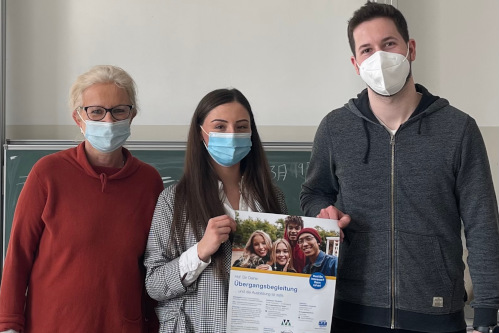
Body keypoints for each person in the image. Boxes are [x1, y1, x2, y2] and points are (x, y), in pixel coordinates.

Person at [300, 2, 499, 333]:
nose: (379, 57)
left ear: (411, 48)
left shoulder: (458, 129)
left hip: (436, 314)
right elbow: (313, 192)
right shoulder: (335, 128)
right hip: (350, 312)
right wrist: (324, 209)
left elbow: (482, 223)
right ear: (355, 63)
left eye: (389, 44)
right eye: (367, 49)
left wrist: (488, 311)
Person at [0, 65, 164, 332]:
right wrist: (8, 324)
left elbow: (152, 267)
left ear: (131, 115)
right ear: (79, 118)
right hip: (51, 325)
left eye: (119, 110)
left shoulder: (149, 182)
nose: (108, 121)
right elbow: (18, 254)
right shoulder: (48, 173)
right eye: (96, 111)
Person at [144, 88, 288, 332]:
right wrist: (200, 251)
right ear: (201, 133)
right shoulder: (173, 201)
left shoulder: (273, 199)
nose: (232, 135)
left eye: (241, 127)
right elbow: (154, 284)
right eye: (220, 127)